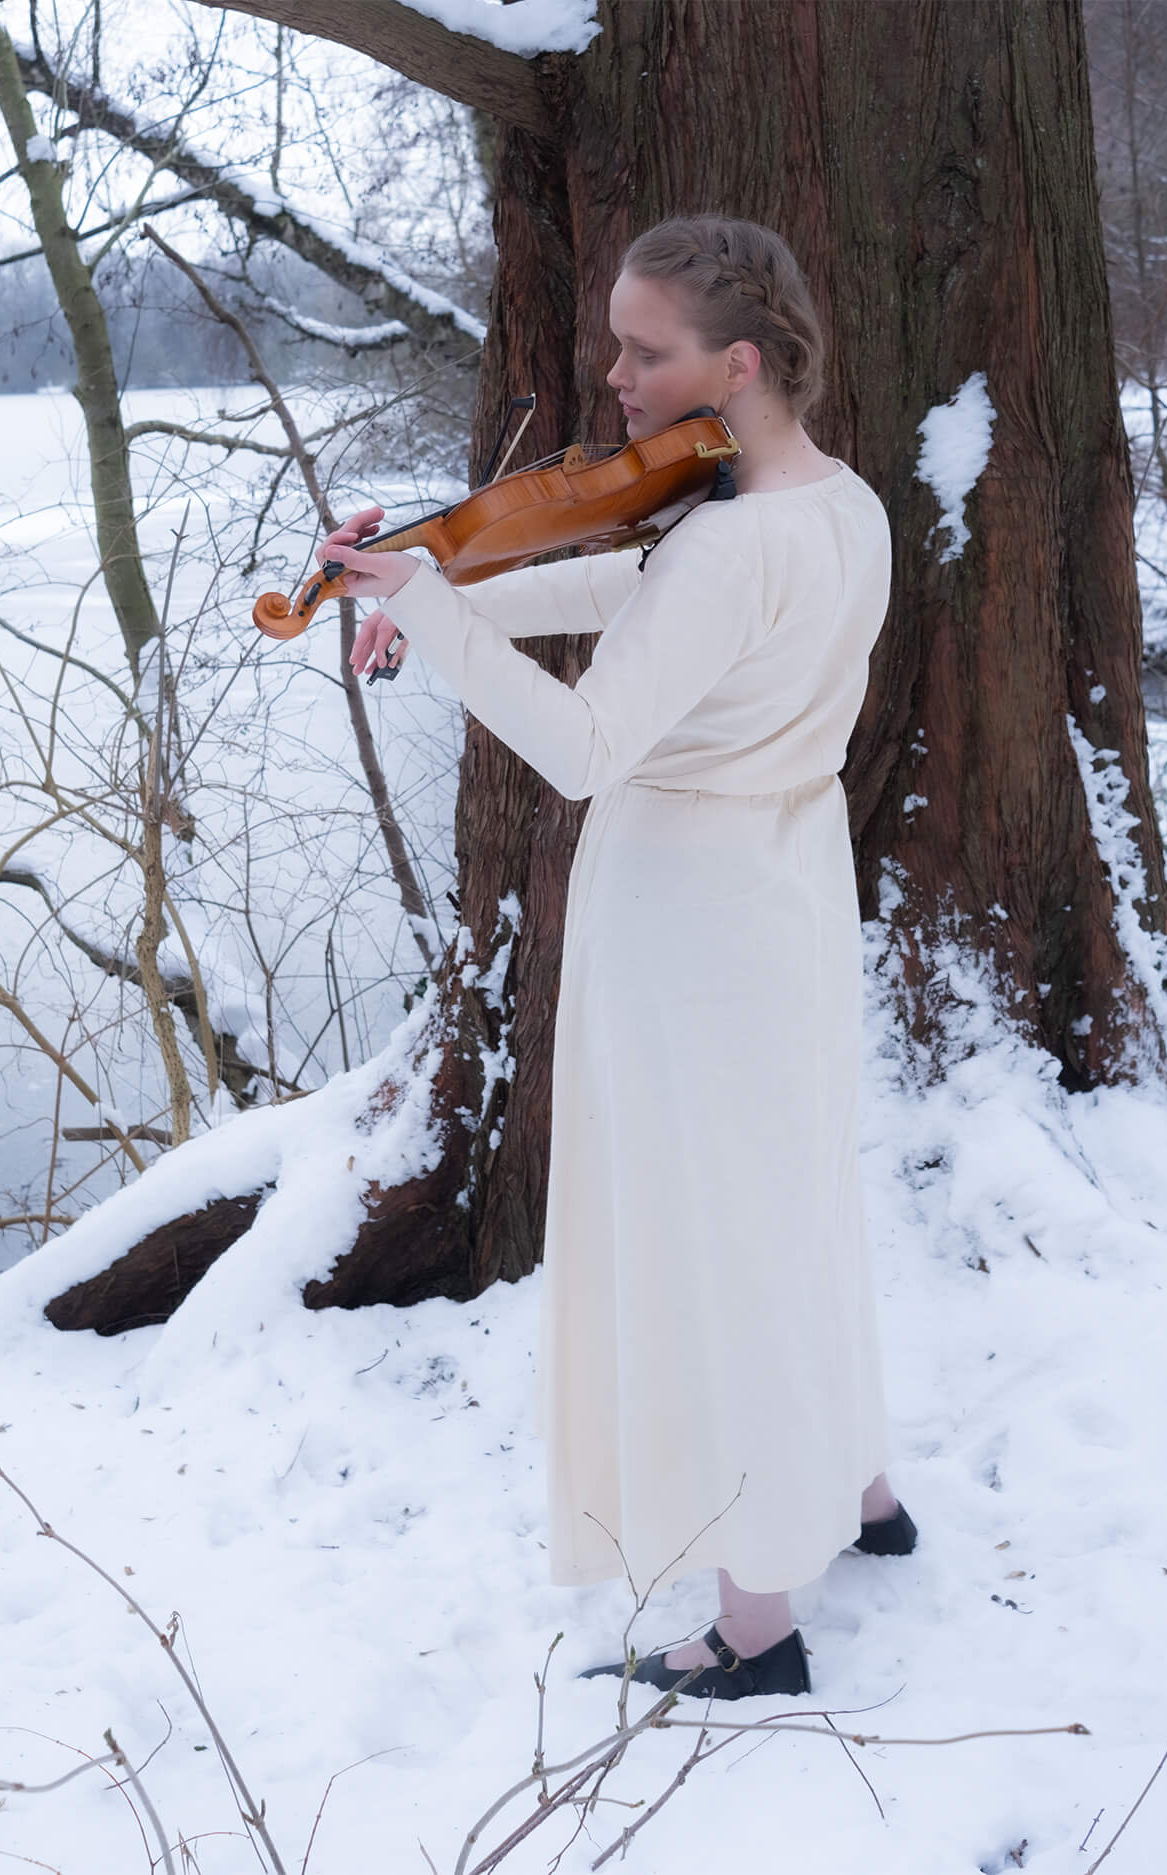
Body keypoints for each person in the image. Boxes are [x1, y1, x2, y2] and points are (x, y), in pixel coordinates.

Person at [316, 215, 916, 1702]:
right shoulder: (836, 506)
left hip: (689, 916)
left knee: (711, 1247)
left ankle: (755, 1628)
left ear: (740, 361)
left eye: (644, 351)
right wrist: (429, 597)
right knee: (786, 1208)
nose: (616, 376)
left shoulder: (724, 540)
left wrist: (440, 625)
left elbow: (585, 747)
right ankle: (856, 1491)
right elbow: (618, 593)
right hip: (782, 888)